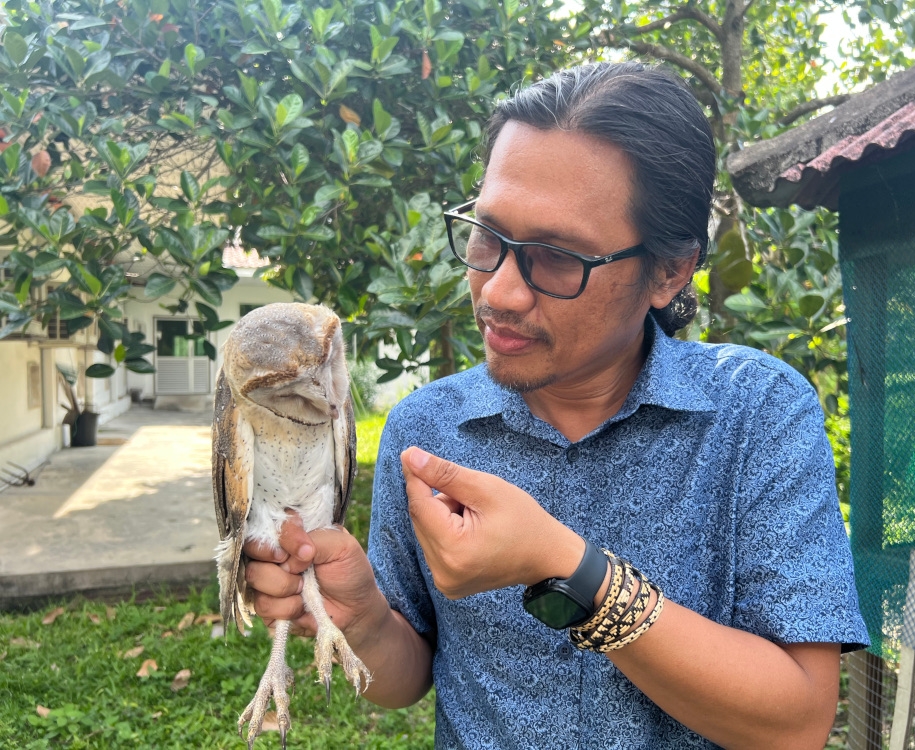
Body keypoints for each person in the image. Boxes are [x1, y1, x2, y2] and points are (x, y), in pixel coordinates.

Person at [244, 62, 868, 749]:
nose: (499, 293)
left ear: (668, 271)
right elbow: (408, 674)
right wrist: (363, 618)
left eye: (557, 256)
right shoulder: (426, 432)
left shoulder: (758, 413)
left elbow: (797, 722)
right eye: (487, 237)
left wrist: (565, 567)